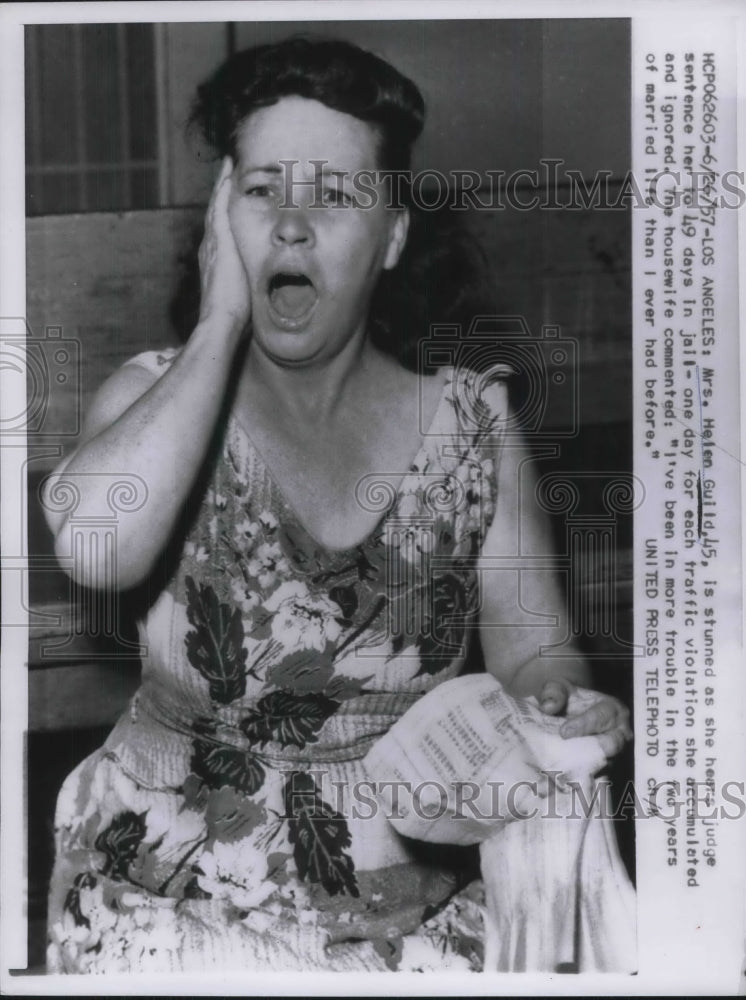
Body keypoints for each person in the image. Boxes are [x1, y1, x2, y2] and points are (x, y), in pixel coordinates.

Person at [43, 36, 631, 973]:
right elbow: (96, 552)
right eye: (264, 187)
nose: (291, 225)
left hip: (403, 890)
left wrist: (554, 703)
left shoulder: (473, 426)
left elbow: (535, 644)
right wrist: (220, 323)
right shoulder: (153, 400)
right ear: (219, 219)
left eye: (334, 196)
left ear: (392, 235)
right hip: (161, 893)